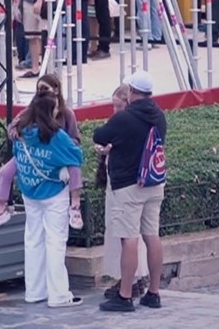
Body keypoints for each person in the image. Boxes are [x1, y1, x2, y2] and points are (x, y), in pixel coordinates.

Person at [94, 70, 168, 312]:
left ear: (132, 92)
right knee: (152, 236)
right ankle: (153, 293)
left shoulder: (124, 118)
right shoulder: (159, 116)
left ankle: (125, 295)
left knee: (130, 239)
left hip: (129, 185)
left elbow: (99, 135)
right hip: (154, 183)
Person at [12, 91, 85, 307]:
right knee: (55, 242)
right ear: (49, 111)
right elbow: (76, 155)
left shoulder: (21, 131)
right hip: (54, 192)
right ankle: (59, 295)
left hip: (29, 190)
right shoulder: (56, 135)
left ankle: (34, 291)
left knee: (33, 240)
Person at [0, 74, 83, 232]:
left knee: (75, 165)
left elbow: (76, 141)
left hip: (56, 158)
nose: (40, 93)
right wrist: (15, 131)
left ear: (56, 90)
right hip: (32, 154)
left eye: (45, 89)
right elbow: (13, 127)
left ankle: (76, 205)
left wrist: (60, 145)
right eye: (38, 90)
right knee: (4, 172)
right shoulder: (31, 110)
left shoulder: (66, 114)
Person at [97, 85, 149, 300]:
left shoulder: (128, 123)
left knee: (128, 234)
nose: (115, 111)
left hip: (125, 186)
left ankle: (132, 281)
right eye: (113, 106)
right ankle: (130, 279)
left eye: (119, 106)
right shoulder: (135, 121)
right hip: (121, 182)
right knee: (124, 233)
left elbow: (100, 136)